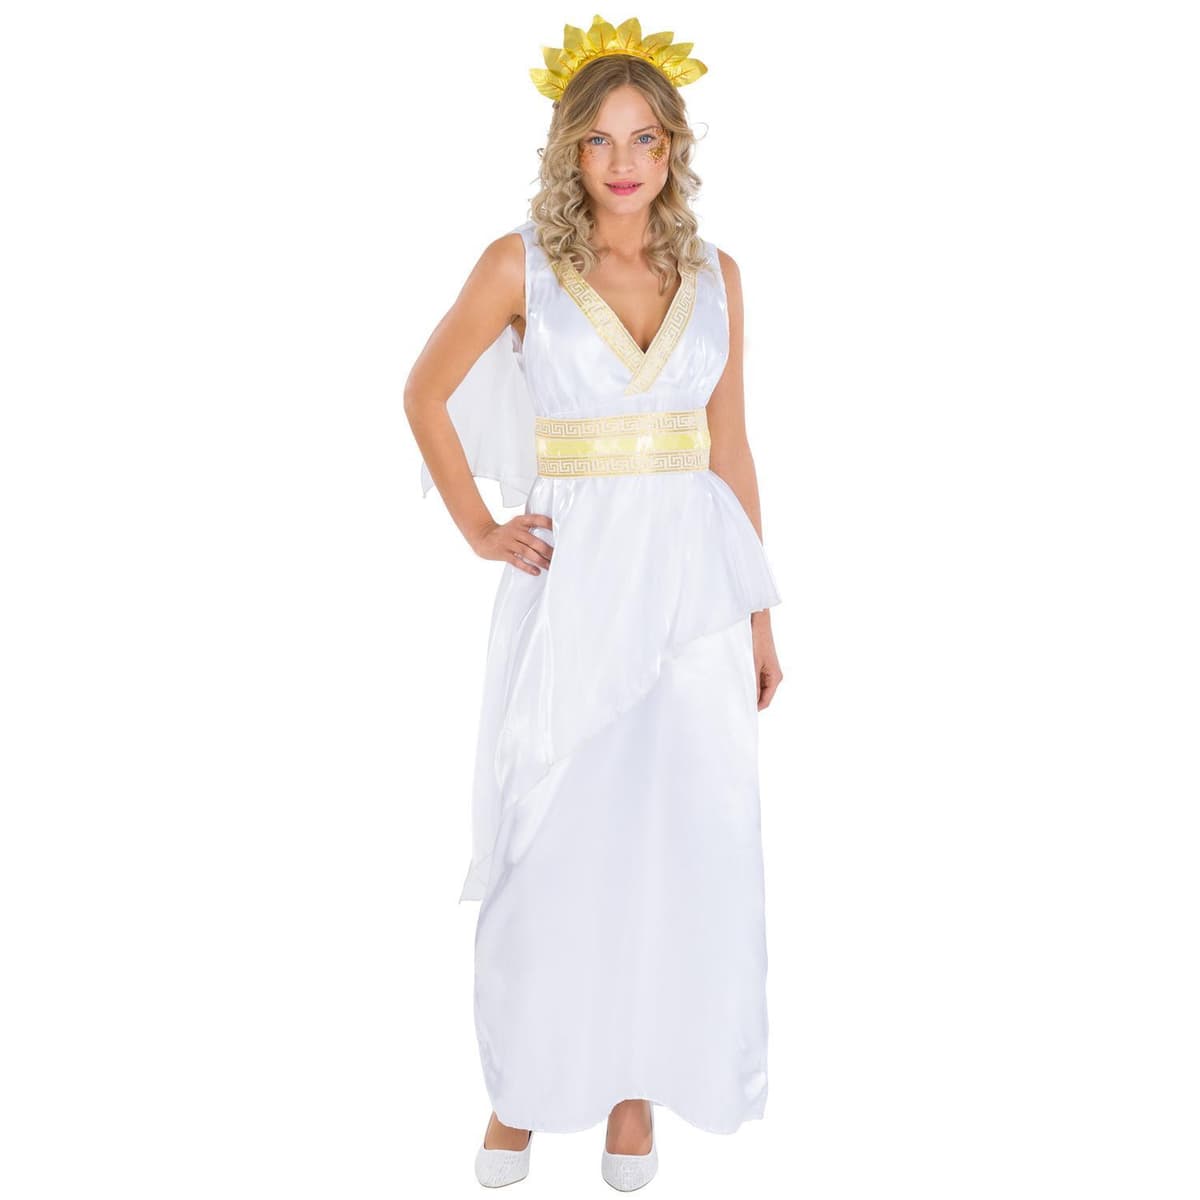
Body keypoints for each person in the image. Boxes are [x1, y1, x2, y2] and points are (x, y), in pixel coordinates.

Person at [405, 15, 783, 1190]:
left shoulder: (716, 277)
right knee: (554, 843)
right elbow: (423, 392)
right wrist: (479, 528)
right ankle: (523, 1087)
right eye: (603, 140)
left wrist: (760, 614)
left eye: (647, 140)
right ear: (570, 149)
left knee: (676, 841)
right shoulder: (518, 266)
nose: (626, 163)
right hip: (576, 596)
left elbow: (729, 448)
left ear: (675, 150)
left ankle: (632, 1093)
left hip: (693, 600)